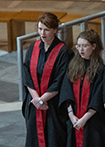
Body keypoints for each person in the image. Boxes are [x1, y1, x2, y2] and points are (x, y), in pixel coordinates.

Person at [22, 12, 75, 147]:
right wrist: (36, 100)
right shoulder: (33, 48)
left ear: (55, 30)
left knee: (53, 139)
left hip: (53, 105)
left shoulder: (64, 52)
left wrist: (42, 99)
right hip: (35, 104)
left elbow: (60, 79)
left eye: (46, 30)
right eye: (40, 29)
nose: (42, 33)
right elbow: (27, 74)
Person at [59, 30, 105, 147]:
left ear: (94, 46)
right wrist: (71, 115)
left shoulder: (100, 69)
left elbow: (98, 97)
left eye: (85, 46)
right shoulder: (73, 65)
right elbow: (66, 91)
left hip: (92, 122)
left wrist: (84, 119)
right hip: (74, 120)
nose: (81, 49)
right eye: (79, 46)